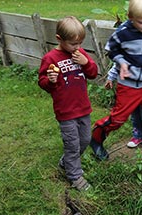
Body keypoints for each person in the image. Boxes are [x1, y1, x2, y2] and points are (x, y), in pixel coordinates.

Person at [90, 0, 142, 173]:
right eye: (141, 22)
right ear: (130, 18)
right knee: (118, 120)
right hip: (128, 86)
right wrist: (121, 63)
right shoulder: (122, 33)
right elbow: (111, 50)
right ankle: (96, 139)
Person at [38, 16, 98, 191]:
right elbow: (43, 83)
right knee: (72, 144)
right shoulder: (50, 59)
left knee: (85, 140)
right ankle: (75, 176)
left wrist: (86, 63)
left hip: (83, 108)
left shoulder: (80, 54)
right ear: (59, 39)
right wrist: (50, 80)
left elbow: (93, 73)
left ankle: (67, 162)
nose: (77, 47)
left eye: (80, 43)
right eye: (73, 44)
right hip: (65, 111)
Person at [105, 64, 142, 149]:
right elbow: (117, 66)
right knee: (135, 114)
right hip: (131, 91)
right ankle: (137, 136)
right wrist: (110, 78)